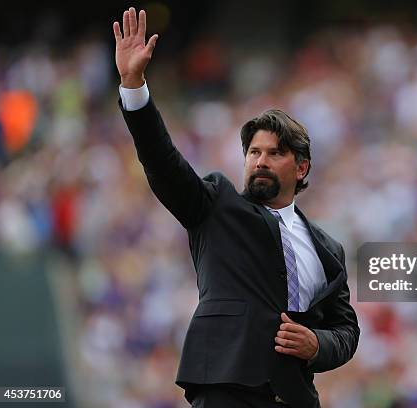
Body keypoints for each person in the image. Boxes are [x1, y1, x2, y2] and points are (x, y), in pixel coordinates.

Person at [112, 7, 360, 408]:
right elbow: (163, 162)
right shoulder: (216, 204)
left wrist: (317, 345)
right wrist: (134, 87)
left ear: (301, 167)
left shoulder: (328, 248)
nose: (259, 160)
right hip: (226, 388)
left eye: (274, 153)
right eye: (253, 152)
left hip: (294, 397)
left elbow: (346, 331)